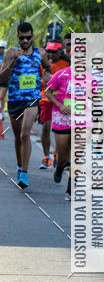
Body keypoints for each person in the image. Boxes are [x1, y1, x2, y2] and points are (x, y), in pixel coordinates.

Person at [0, 22, 51, 188]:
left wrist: (47, 76)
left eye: (28, 37)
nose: (25, 41)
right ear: (18, 37)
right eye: (22, 38)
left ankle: (24, 172)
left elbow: (48, 68)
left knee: (25, 134)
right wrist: (13, 62)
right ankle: (19, 165)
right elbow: (1, 77)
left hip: (32, 99)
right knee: (18, 138)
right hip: (15, 100)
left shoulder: (40, 53)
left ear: (32, 36)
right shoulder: (11, 52)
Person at [43, 62, 75, 200]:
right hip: (62, 118)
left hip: (81, 120)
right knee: (63, 156)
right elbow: (47, 91)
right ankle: (60, 167)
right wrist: (59, 105)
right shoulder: (61, 74)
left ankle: (70, 189)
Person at [39, 40, 70, 169]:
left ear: (60, 51)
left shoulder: (66, 63)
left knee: (60, 131)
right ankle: (46, 157)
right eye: (49, 51)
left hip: (61, 102)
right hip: (46, 99)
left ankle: (58, 155)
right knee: (46, 128)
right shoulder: (41, 64)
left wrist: (51, 78)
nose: (51, 54)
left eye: (54, 51)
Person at [0, 40, 7, 122]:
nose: (1, 50)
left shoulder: (6, 56)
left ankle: (1, 111)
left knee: (2, 96)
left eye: (2, 48)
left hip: (4, 79)